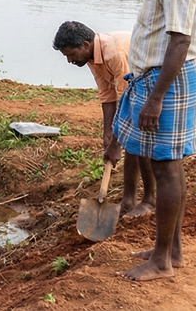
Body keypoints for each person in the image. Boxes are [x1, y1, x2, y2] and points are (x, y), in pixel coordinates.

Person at [116, 0, 196, 282]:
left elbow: (180, 42)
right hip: (159, 78)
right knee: (167, 165)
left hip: (167, 81)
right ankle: (171, 250)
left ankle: (161, 262)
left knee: (166, 168)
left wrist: (155, 97)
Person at [54, 21, 153, 219]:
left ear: (85, 44)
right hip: (134, 89)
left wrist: (116, 143)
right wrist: (108, 132)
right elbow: (108, 95)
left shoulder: (113, 54)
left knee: (138, 142)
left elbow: (127, 99)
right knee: (130, 142)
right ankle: (128, 201)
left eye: (70, 55)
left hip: (154, 86)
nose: (69, 61)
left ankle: (150, 200)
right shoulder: (92, 57)